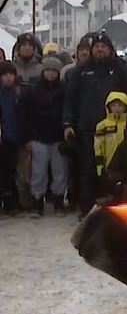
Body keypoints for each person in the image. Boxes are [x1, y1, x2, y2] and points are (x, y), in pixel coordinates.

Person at [63, 31, 127, 217]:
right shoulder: (80, 71)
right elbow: (70, 99)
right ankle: (87, 209)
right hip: (88, 128)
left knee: (115, 168)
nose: (100, 50)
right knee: (88, 168)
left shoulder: (119, 68)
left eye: (103, 46)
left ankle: (114, 208)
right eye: (97, 46)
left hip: (116, 129)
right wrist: (67, 123)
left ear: (110, 49)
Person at [18, 56, 67, 217]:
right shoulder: (32, 89)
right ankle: (37, 201)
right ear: (43, 71)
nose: (51, 74)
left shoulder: (64, 89)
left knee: (60, 171)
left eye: (54, 71)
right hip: (38, 137)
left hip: (58, 137)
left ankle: (58, 200)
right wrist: (26, 138)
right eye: (48, 70)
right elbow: (23, 115)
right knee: (38, 172)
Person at [0, 61, 22, 217]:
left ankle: (11, 203)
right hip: (3, 137)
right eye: (5, 75)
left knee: (11, 172)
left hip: (13, 138)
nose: (8, 77)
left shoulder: (17, 93)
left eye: (11, 75)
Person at [94, 91, 127, 177]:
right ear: (109, 107)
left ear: (126, 107)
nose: (117, 108)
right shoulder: (102, 125)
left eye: (120, 105)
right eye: (114, 105)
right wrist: (100, 166)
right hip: (109, 163)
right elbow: (98, 146)